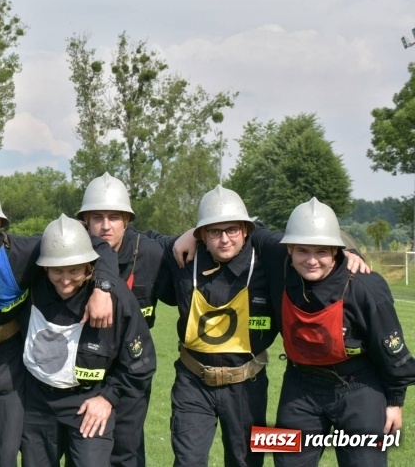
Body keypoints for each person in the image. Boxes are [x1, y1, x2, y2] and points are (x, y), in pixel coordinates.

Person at [0, 176, 118, 467]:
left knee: (5, 449)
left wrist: (103, 288)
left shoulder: (25, 253)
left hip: (8, 356)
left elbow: (98, 246)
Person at [268, 198, 415, 467]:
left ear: (336, 250)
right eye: (302, 250)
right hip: (300, 385)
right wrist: (190, 236)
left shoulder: (365, 286)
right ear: (289, 249)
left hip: (360, 388)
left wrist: (395, 403)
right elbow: (249, 231)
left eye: (322, 251)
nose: (312, 260)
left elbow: (390, 348)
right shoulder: (280, 269)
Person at [20, 214, 155, 467]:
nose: (66, 279)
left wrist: (107, 398)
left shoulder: (116, 300)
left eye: (75, 270)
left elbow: (140, 364)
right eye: (57, 271)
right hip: (37, 404)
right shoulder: (31, 287)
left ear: (89, 266)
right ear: (45, 267)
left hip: (87, 403)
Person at [157, 185, 278, 467]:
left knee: (245, 462)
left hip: (247, 385)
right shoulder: (182, 257)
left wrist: (349, 250)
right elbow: (138, 241)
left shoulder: (267, 262)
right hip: (192, 382)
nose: (224, 239)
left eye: (232, 230)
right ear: (202, 235)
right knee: (187, 462)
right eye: (214, 232)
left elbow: (307, 246)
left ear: (246, 230)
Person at [76, 172, 169, 467]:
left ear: (127, 220)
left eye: (114, 217)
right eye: (97, 217)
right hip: (83, 372)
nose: (105, 226)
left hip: (131, 371)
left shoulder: (152, 254)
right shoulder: (70, 253)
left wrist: (191, 237)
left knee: (127, 450)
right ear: (85, 221)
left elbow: (183, 289)